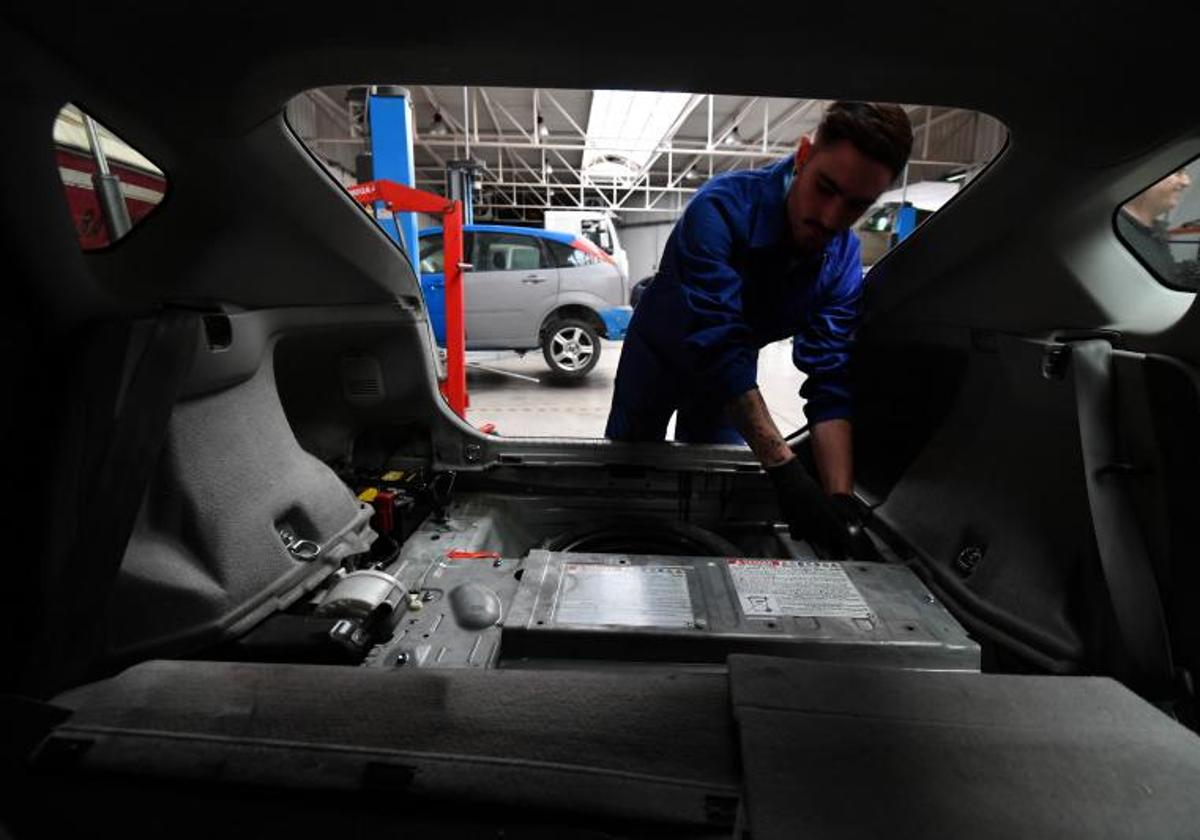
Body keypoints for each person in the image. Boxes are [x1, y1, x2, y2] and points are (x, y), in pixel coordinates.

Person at [605, 101, 913, 555]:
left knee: (719, 495)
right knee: (629, 478)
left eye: (856, 206)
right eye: (825, 188)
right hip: (657, 359)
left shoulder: (842, 260)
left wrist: (839, 499)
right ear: (804, 155)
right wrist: (786, 472)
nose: (831, 218)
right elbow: (719, 344)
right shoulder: (721, 208)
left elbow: (830, 376)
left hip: (730, 382)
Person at [1117, 167, 1200, 289]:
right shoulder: (1117, 233)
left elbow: (1168, 272)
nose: (1186, 182)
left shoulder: (1153, 231)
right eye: (1178, 173)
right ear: (1142, 178)